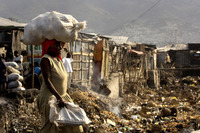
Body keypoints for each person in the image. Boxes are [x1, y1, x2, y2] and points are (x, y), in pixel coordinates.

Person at [37, 39, 83, 133]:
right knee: (51, 127)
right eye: (57, 45)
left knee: (72, 125)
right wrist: (58, 98)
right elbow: (47, 81)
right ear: (49, 47)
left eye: (60, 45)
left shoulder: (58, 59)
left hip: (62, 96)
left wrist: (63, 96)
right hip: (50, 98)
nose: (60, 47)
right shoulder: (46, 60)